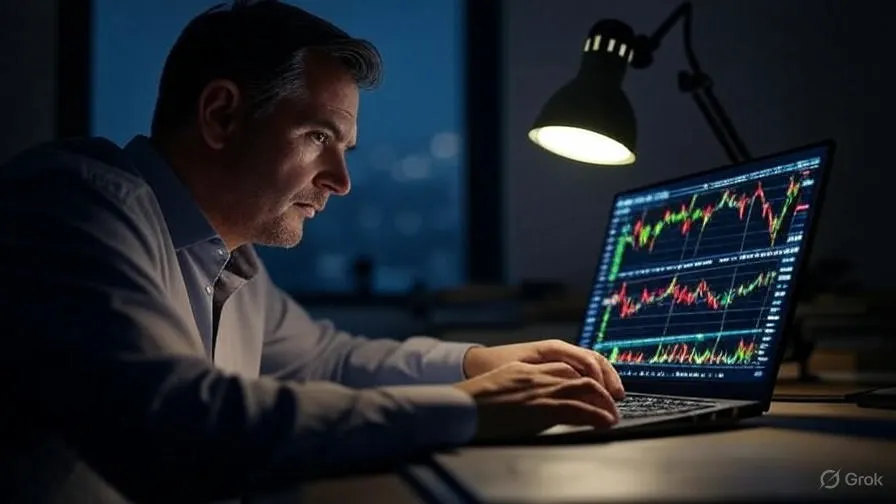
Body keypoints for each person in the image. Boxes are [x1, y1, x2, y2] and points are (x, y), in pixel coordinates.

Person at [1, 1, 624, 502]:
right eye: (319, 136)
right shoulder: (73, 204)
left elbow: (328, 359)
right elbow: (176, 429)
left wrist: (474, 362)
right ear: (221, 116)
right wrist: (464, 410)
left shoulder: (227, 261)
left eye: (344, 148)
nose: (341, 180)